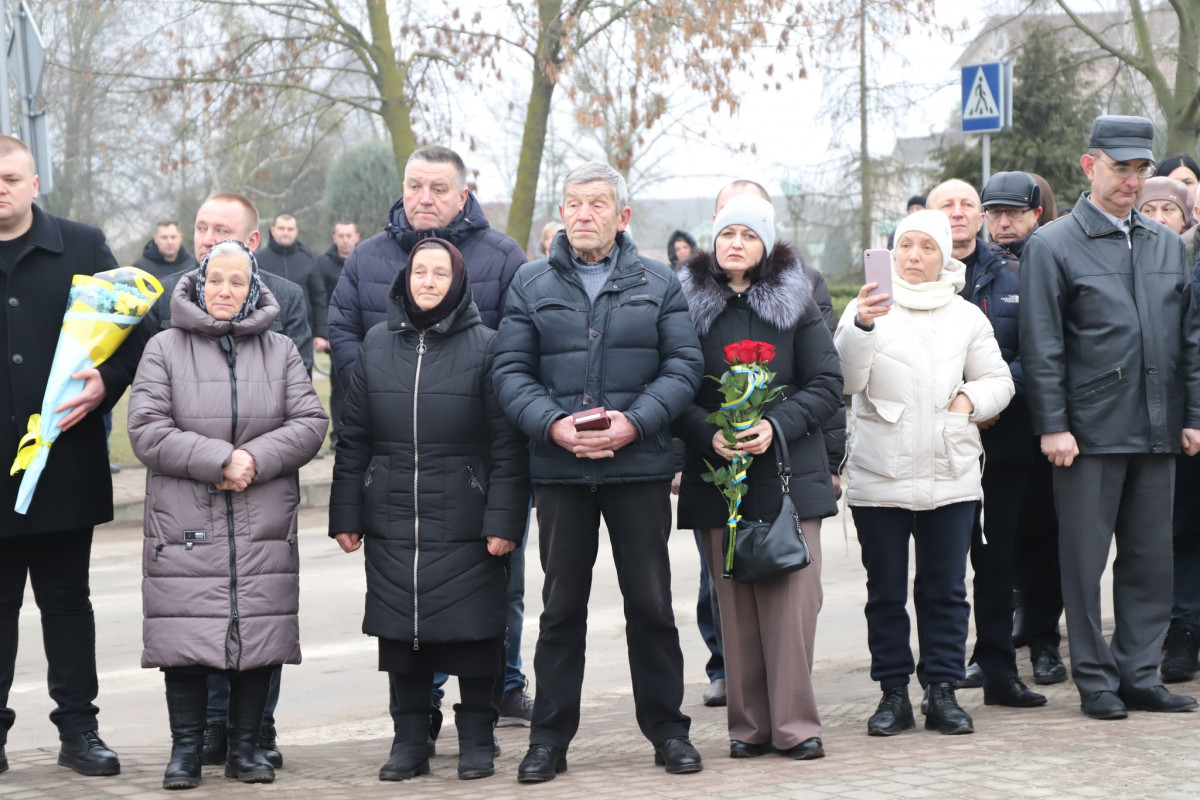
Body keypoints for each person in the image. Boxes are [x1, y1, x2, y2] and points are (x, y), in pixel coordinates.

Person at [494, 161, 704, 782]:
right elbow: (510, 372)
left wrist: (635, 422)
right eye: (573, 204)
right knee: (560, 610)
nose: (584, 215)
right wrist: (554, 426)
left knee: (652, 605)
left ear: (623, 216)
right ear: (561, 213)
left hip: (638, 470)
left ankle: (668, 731)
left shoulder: (660, 282)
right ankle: (549, 741)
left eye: (597, 204)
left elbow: (683, 367)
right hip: (561, 475)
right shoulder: (529, 285)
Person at [328, 145, 534, 731]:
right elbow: (342, 328)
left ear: (463, 196)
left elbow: (520, 338)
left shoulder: (501, 257)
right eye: (415, 185)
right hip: (399, 458)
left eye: (438, 188)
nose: (424, 198)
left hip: (480, 463)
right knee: (409, 587)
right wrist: (381, 384)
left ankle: (504, 685)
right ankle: (421, 710)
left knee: (499, 584)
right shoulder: (368, 258)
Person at [128, 240, 326, 789]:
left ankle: (246, 749)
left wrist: (253, 461)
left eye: (237, 282)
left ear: (253, 288)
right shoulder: (164, 347)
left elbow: (310, 422)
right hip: (186, 519)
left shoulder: (280, 349)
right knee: (185, 640)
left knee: (258, 639)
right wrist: (220, 461)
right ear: (198, 281)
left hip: (260, 517)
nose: (225, 291)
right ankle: (185, 751)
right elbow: (145, 429)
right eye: (216, 279)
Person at [1021, 114, 1200, 720]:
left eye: (1140, 169)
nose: (1131, 180)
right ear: (1088, 165)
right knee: (1084, 560)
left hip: (1157, 426)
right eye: (1120, 167)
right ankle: (1095, 680)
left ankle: (1139, 673)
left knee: (1151, 559)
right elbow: (1042, 345)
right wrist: (1053, 424)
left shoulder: (1167, 248)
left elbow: (1189, 342)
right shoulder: (1051, 245)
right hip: (1087, 432)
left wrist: (1192, 415)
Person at [674, 191, 842, 760]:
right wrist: (707, 433)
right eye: (726, 235)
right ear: (713, 243)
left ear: (766, 243)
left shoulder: (798, 302)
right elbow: (676, 386)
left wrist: (775, 423)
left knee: (792, 602)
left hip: (789, 473)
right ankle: (748, 728)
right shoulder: (687, 307)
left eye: (747, 234)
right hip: (720, 472)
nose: (736, 244)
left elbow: (825, 383)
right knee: (735, 603)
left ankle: (796, 725)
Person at [0, 135, 148, 778]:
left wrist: (107, 381)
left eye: (11, 177)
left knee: (67, 602)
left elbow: (138, 329)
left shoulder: (84, 246)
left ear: (36, 184)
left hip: (63, 458)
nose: (0, 187)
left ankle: (79, 731)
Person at [836, 210, 1014, 737]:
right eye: (905, 246)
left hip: (949, 471)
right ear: (890, 254)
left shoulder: (966, 317)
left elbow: (999, 380)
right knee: (885, 592)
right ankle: (893, 694)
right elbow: (846, 380)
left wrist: (967, 401)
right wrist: (863, 325)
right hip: (878, 475)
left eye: (926, 248)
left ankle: (943, 691)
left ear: (944, 257)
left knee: (945, 590)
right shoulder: (864, 309)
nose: (913, 257)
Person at [928, 176, 1052, 706]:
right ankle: (938, 674)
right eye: (944, 205)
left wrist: (985, 402)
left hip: (1001, 441)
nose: (957, 213)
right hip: (932, 445)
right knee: (940, 566)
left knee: (997, 561)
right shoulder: (908, 276)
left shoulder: (1016, 274)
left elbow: (1035, 349)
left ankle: (998, 667)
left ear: (979, 218)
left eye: (965, 205)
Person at [1133, 176, 1200, 683]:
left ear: (1187, 217)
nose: (1159, 219)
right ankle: (1181, 630)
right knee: (1177, 533)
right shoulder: (1128, 263)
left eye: (1169, 211)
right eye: (1149, 209)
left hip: (1189, 412)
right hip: (1167, 420)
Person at [316, 220, 361, 443]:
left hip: (364, 334)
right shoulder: (323, 265)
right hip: (337, 335)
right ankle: (339, 435)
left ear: (357, 237)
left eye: (348, 235)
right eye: (340, 235)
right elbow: (320, 300)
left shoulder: (365, 261)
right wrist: (324, 333)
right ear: (334, 238)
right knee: (340, 387)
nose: (345, 240)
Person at [255, 213, 327, 353]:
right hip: (265, 332)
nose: (286, 233)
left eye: (290, 229)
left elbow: (319, 298)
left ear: (296, 231)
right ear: (273, 230)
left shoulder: (308, 259)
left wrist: (321, 333)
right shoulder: (258, 260)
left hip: (302, 332)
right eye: (281, 228)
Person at [134, 219, 198, 281]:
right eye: (164, 237)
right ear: (155, 239)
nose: (169, 242)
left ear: (180, 238)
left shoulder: (195, 264)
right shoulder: (140, 269)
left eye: (173, 237)